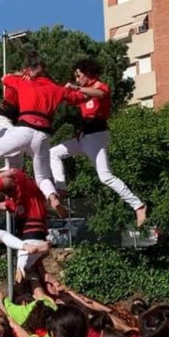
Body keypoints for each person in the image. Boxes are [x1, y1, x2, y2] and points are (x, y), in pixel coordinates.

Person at [0, 53, 87, 217]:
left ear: (31, 71)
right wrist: (76, 87)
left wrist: (23, 75)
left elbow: (5, 79)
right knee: (42, 177)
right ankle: (53, 198)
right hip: (43, 136)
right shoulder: (57, 88)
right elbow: (80, 98)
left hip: (24, 129)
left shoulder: (24, 82)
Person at [49, 57, 147, 227]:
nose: (77, 79)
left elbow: (101, 94)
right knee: (54, 152)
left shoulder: (100, 87)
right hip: (84, 137)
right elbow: (70, 98)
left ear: (87, 74)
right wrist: (58, 91)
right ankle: (61, 188)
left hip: (97, 135)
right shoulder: (83, 92)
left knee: (105, 177)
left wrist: (77, 87)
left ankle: (138, 206)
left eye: (79, 76)